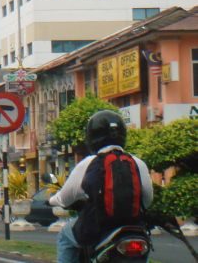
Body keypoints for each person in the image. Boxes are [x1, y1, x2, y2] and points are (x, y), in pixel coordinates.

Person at [49, 110, 153, 263]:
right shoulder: (138, 163)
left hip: (97, 228)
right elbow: (148, 199)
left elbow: (65, 198)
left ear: (91, 136)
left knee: (64, 236)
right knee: (142, 246)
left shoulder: (88, 162)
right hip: (132, 228)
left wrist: (52, 200)